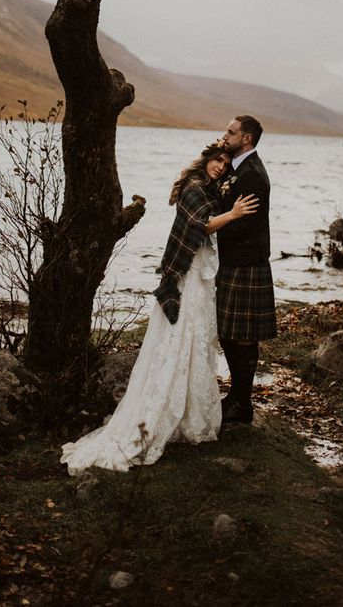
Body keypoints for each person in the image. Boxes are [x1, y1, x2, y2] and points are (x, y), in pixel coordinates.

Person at [61, 143, 258, 475]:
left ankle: (189, 413)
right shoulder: (194, 189)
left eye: (226, 163)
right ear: (206, 159)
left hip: (201, 274)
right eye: (217, 160)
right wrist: (234, 214)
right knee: (179, 339)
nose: (221, 166)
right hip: (188, 276)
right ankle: (165, 412)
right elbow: (200, 227)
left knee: (195, 340)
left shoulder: (207, 189)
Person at [216, 115, 277, 424]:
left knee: (241, 336)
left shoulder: (252, 174)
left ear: (247, 138)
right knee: (229, 333)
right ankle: (237, 397)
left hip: (245, 263)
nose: (224, 135)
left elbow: (243, 223)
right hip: (237, 262)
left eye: (231, 131)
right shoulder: (239, 169)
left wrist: (208, 232)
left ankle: (242, 403)